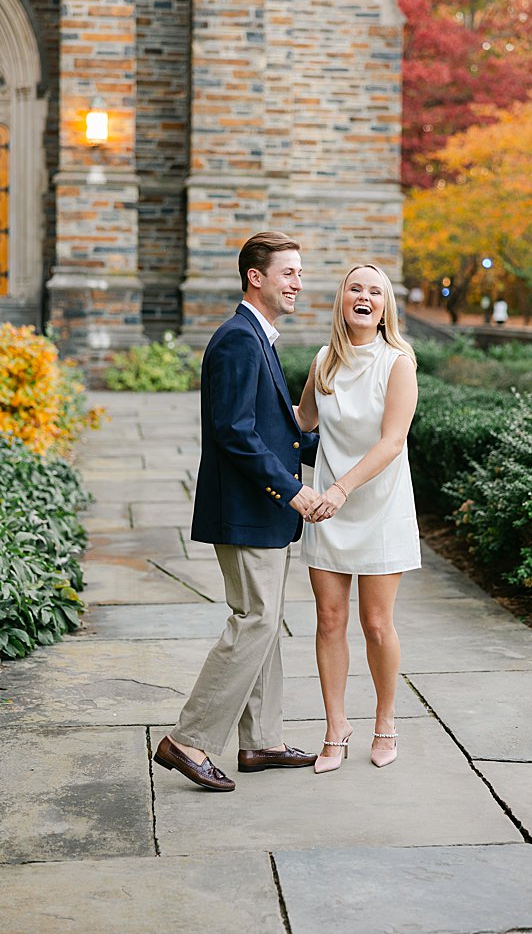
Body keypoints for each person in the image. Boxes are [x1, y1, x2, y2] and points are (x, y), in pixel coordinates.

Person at [155, 231, 321, 791]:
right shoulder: (237, 340)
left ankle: (262, 741)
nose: (299, 283)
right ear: (257, 277)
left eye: (299, 273)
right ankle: (188, 738)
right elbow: (234, 434)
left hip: (264, 512)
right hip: (251, 511)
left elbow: (277, 433)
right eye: (290, 273)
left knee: (266, 626)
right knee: (253, 622)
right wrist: (292, 490)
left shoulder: (258, 339)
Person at [295, 263, 421, 773]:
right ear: (342, 300)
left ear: (385, 306)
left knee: (375, 623)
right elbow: (301, 421)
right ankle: (335, 727)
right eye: (355, 287)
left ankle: (385, 720)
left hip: (378, 506)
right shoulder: (323, 360)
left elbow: (393, 440)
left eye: (375, 290)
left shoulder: (398, 363)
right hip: (327, 509)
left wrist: (343, 487)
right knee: (329, 621)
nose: (364, 295)